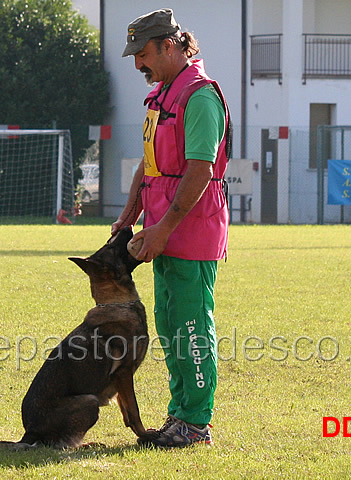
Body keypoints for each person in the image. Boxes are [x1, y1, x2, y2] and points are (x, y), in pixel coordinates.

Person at [111, 8, 231, 448]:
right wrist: (129, 216)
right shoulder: (163, 97)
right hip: (161, 230)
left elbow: (199, 170)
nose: (139, 65)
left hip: (189, 229)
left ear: (170, 45)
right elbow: (149, 165)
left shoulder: (199, 97)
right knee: (171, 325)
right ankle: (180, 416)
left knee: (192, 326)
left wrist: (161, 228)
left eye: (143, 54)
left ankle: (196, 424)